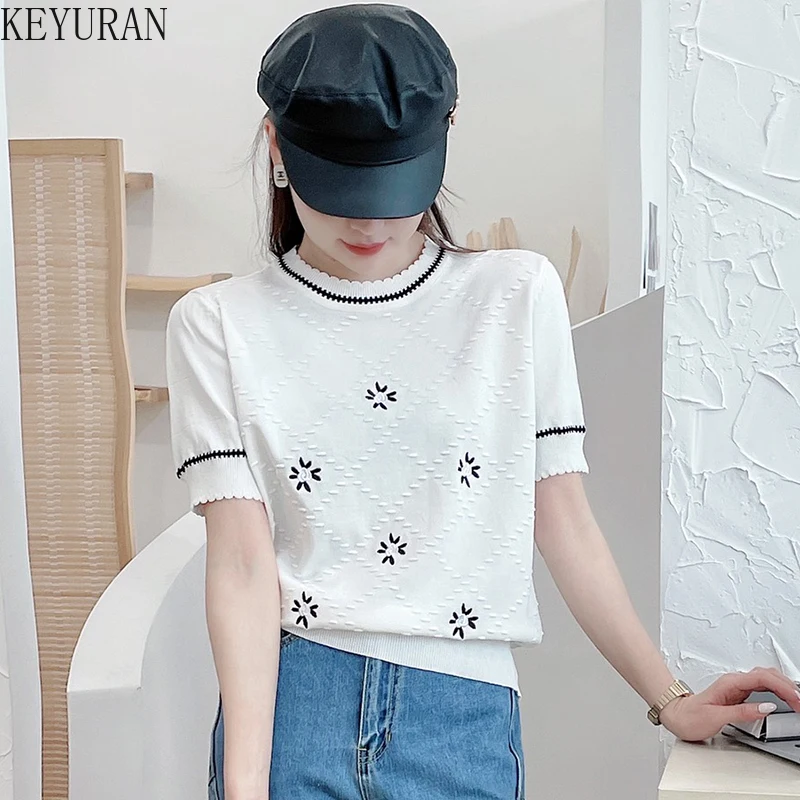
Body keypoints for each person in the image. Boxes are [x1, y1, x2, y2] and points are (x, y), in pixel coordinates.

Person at [165, 5, 800, 800]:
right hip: (296, 705)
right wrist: (244, 786)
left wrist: (669, 699)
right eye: (341, 187)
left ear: (445, 135)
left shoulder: (514, 295)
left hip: (460, 715)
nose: (369, 219)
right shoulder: (217, 324)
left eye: (393, 183)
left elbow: (563, 520)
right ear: (276, 147)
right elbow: (242, 564)